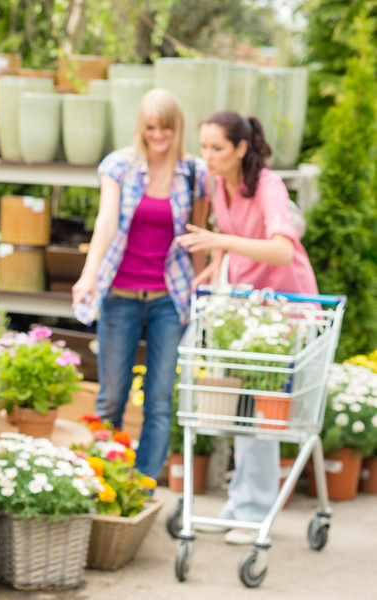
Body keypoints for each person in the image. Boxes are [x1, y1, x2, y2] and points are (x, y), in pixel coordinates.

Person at [176, 110, 318, 545]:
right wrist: (217, 264)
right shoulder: (221, 183)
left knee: (264, 410)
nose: (208, 156)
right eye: (204, 147)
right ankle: (242, 502)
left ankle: (255, 508)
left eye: (217, 148)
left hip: (285, 308)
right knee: (238, 408)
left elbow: (279, 250)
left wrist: (219, 244)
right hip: (248, 308)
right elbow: (229, 228)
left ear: (241, 148)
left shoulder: (269, 187)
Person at [72, 88, 209, 483]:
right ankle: (104, 478)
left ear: (176, 128)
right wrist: (89, 274)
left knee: (159, 400)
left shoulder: (194, 172)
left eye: (165, 127)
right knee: (111, 396)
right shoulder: (119, 166)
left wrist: (200, 289)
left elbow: (196, 236)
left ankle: (143, 485)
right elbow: (107, 222)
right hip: (120, 295)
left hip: (170, 297)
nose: (158, 135)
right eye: (151, 127)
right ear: (141, 127)